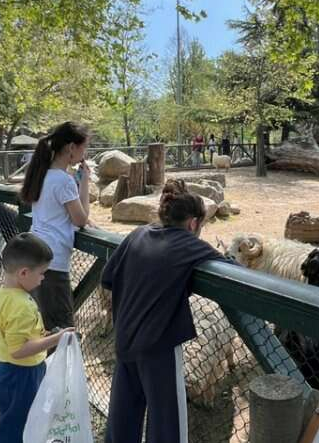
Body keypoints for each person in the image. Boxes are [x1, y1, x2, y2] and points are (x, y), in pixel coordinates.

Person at [102, 180, 236, 443]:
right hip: (158, 347)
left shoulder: (137, 234)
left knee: (123, 413)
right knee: (167, 421)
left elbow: (108, 278)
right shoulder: (190, 244)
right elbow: (234, 270)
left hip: (125, 338)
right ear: (194, 223)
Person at [0, 233, 74, 443]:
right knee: (19, 424)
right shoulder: (22, 306)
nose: (43, 278)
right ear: (24, 273)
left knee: (10, 418)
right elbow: (19, 349)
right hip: (22, 373)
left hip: (6, 370)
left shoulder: (0, 297)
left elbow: (12, 334)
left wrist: (44, 335)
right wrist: (56, 339)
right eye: (42, 273)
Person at [20, 121, 91, 331]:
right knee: (62, 329)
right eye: (84, 147)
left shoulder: (42, 175)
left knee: (42, 323)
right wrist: (85, 182)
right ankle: (58, 364)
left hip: (34, 254)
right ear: (71, 147)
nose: (84, 152)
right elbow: (81, 219)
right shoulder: (63, 180)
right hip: (53, 262)